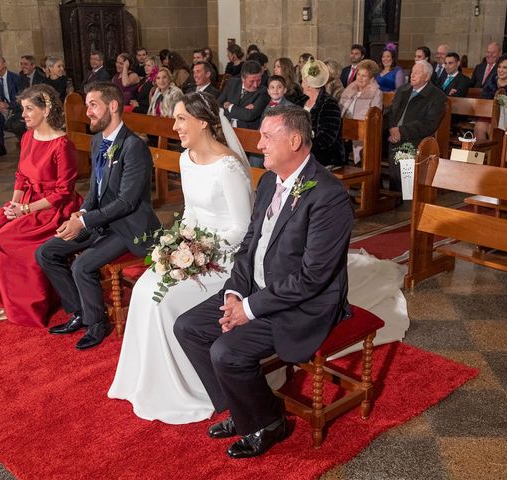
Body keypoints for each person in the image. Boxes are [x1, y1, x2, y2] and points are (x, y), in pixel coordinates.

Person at [173, 105, 353, 459]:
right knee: (188, 327)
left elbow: (313, 277)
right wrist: (234, 293)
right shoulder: (269, 180)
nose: (260, 144)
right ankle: (244, 414)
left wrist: (250, 310)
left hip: (301, 304)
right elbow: (249, 244)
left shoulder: (329, 196)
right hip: (254, 289)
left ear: (295, 140)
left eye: (268, 137)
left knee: (224, 351)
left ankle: (270, 421)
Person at [108, 92, 254, 423]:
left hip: (224, 260)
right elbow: (189, 211)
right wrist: (177, 244)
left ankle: (190, 386)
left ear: (203, 122)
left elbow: (242, 228)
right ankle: (145, 382)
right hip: (192, 251)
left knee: (163, 301)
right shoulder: (186, 158)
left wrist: (202, 252)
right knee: (145, 289)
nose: (174, 126)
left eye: (181, 119)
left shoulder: (228, 167)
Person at [36, 82, 160, 350]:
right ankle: (81, 312)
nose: (87, 112)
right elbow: (96, 188)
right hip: (100, 221)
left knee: (82, 266)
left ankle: (97, 324)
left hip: (128, 227)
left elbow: (126, 202)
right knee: (46, 253)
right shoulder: (97, 142)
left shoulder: (133, 147)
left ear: (113, 106)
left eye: (93, 105)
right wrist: (82, 212)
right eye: (87, 105)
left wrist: (83, 221)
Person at [0, 84, 83, 326]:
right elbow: (21, 176)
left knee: (7, 242)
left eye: (28, 109)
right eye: (22, 108)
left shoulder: (62, 145)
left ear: (45, 111)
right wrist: (13, 206)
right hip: (26, 202)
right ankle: (1, 297)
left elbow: (63, 193)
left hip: (53, 210)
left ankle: (21, 305)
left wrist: (25, 210)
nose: (22, 115)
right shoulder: (27, 137)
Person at [384, 60, 447, 192]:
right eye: (412, 72)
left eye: (417, 73)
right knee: (369, 148)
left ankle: (405, 198)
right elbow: (391, 113)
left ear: (427, 77)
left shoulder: (436, 96)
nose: (412, 75)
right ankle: (387, 196)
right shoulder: (403, 90)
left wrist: (401, 131)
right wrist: (391, 129)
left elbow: (429, 124)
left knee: (402, 153)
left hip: (415, 138)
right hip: (393, 136)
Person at [300, 58, 344, 168]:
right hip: (304, 153)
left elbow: (326, 139)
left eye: (303, 81)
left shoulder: (329, 104)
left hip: (326, 157)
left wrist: (302, 146)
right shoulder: (300, 101)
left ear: (309, 85)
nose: (301, 84)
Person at [339, 59, 382, 164]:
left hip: (363, 133)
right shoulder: (349, 90)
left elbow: (375, 117)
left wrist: (352, 130)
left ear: (371, 79)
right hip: (345, 130)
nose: (360, 78)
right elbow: (340, 111)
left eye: (364, 76)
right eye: (359, 74)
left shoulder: (376, 93)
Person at [218, 60, 270, 129]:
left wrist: (230, 107)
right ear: (243, 78)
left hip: (246, 133)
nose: (255, 85)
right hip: (225, 129)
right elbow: (218, 106)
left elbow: (249, 115)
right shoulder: (232, 83)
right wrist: (242, 110)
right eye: (252, 81)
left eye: (259, 80)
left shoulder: (263, 91)